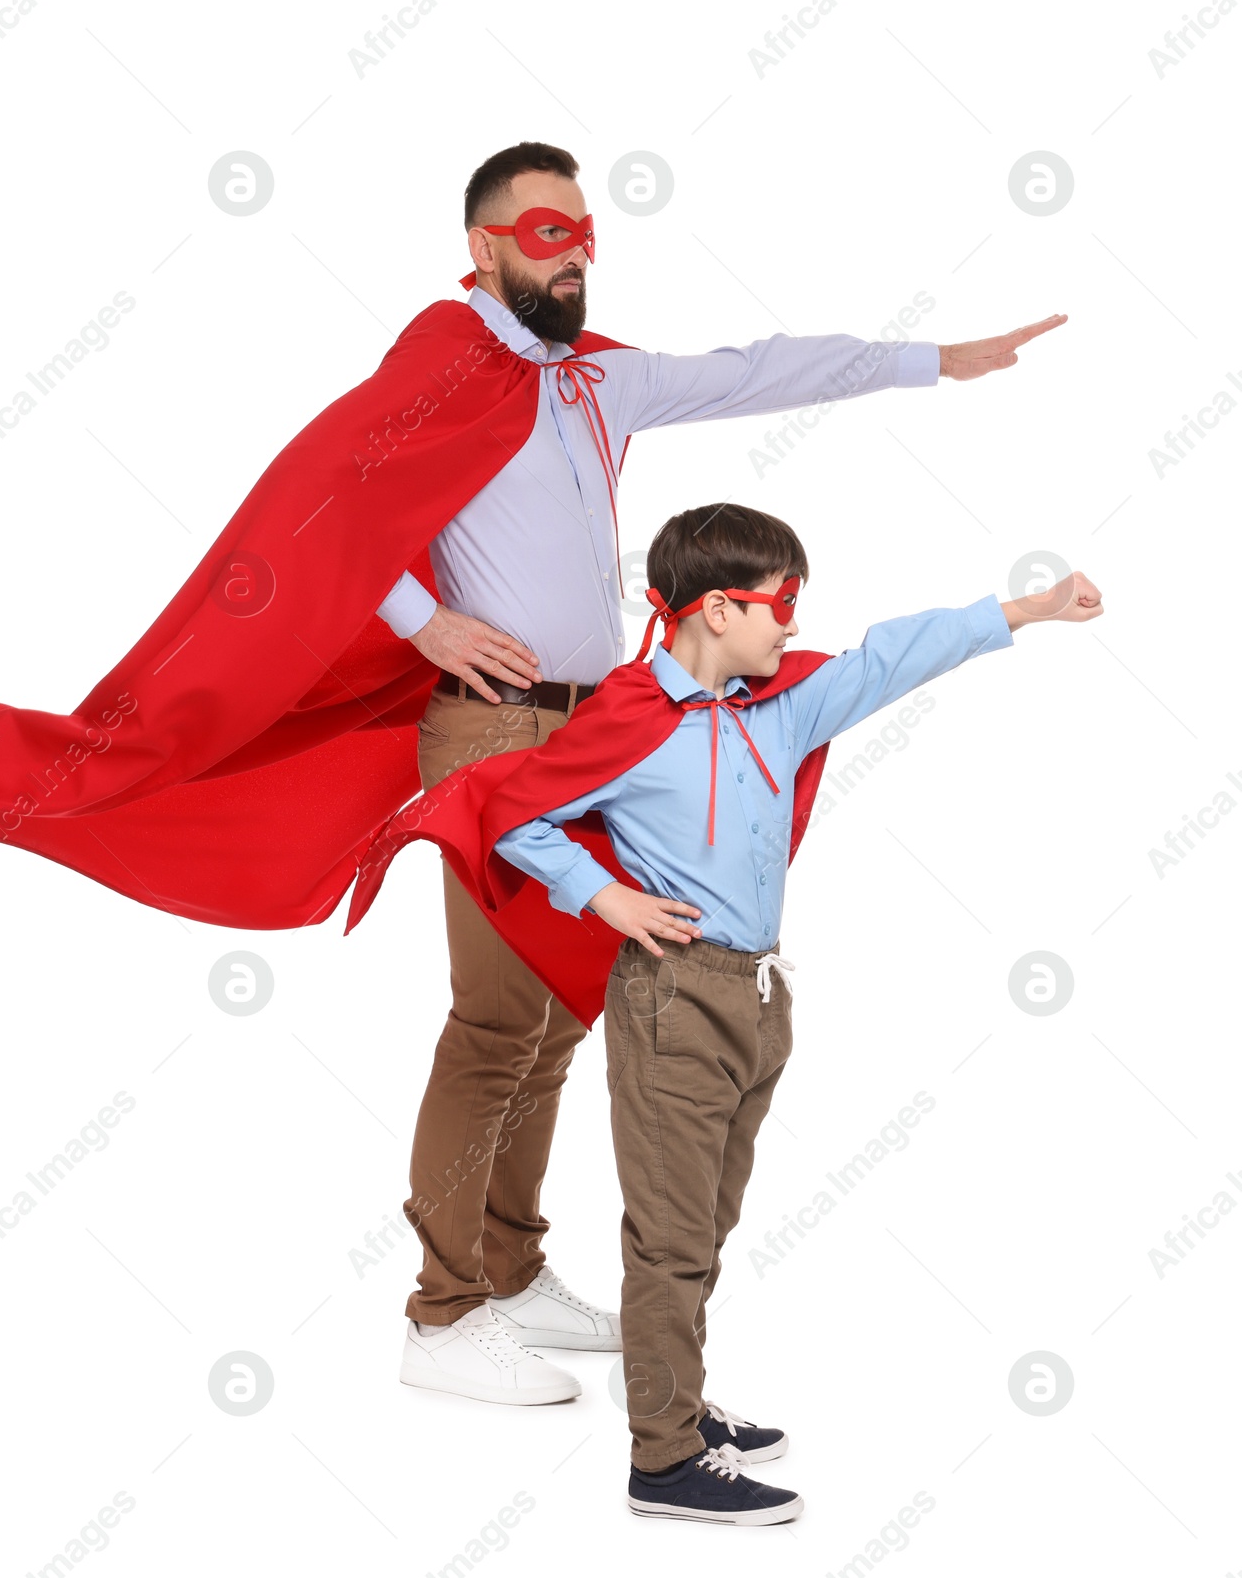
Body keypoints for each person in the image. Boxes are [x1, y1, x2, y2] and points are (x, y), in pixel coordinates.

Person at [387, 141, 1067, 1408]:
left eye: (583, 228)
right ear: (483, 250)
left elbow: (760, 371)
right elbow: (321, 514)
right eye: (544, 231)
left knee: (556, 1014)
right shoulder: (435, 373)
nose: (573, 248)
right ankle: (441, 1314)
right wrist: (420, 618)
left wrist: (933, 361)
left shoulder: (598, 383)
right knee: (494, 1019)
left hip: (603, 728)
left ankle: (510, 1265)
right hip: (492, 729)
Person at [467, 501, 1102, 1521]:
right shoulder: (629, 719)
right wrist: (605, 895)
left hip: (757, 997)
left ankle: (671, 1397)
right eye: (779, 605)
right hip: (671, 1000)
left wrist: (1029, 607)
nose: (791, 627)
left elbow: (894, 656)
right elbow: (515, 813)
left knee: (706, 1223)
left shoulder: (781, 710)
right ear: (717, 608)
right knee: (671, 1236)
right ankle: (662, 1462)